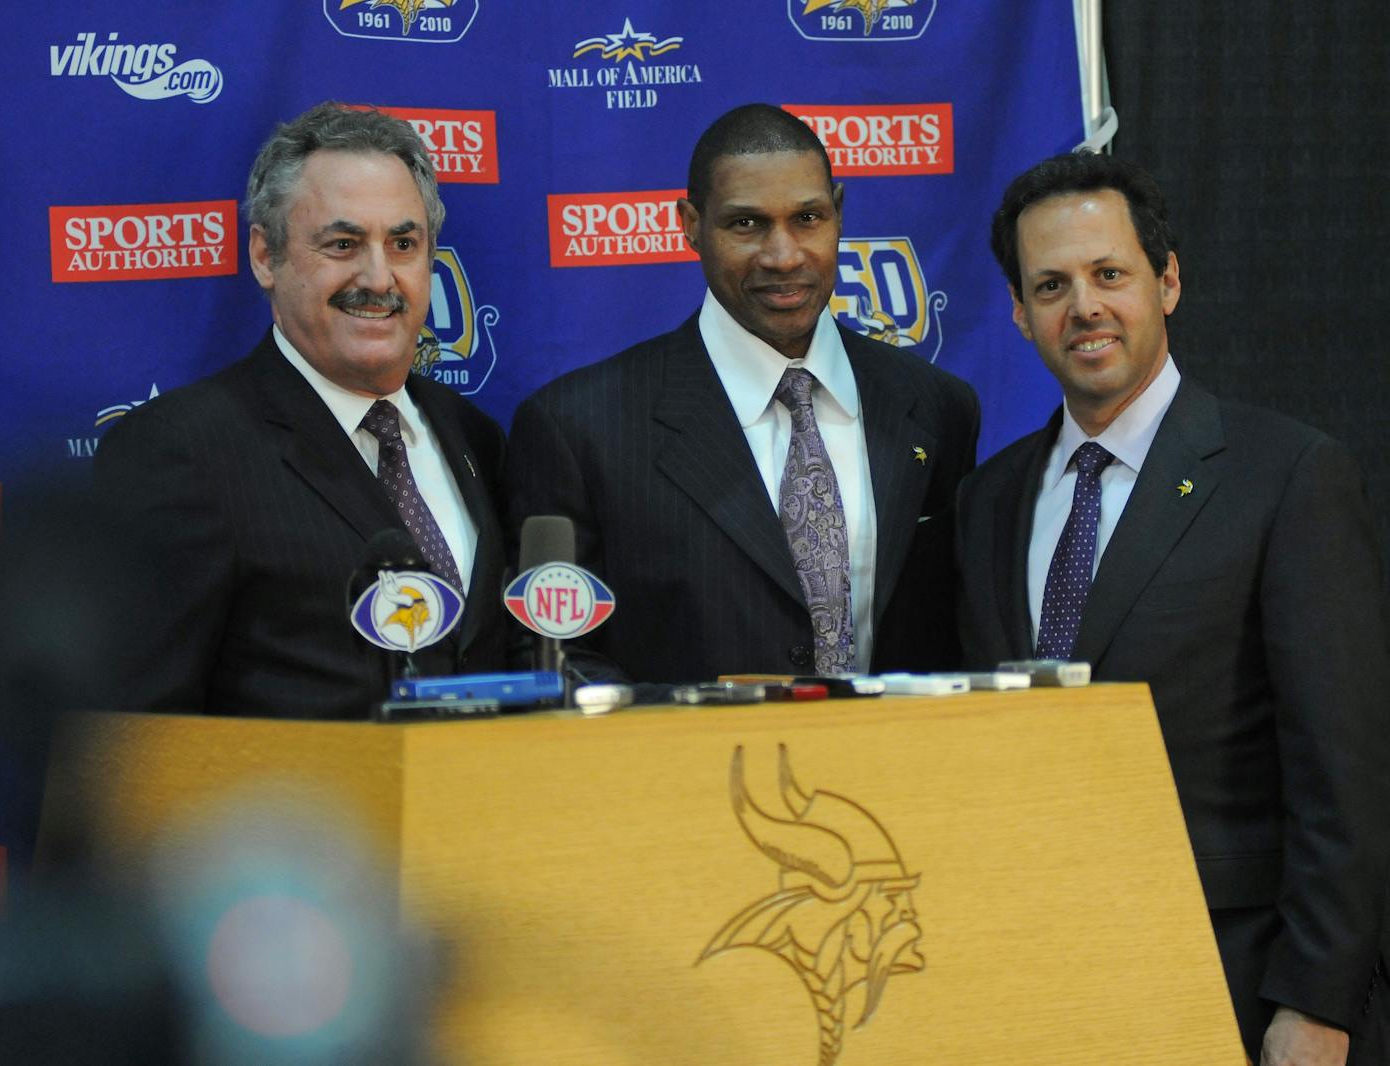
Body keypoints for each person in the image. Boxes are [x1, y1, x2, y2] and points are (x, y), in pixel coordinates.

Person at [957, 150, 1390, 1064]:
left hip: (1229, 986)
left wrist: (1317, 1004)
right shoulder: (986, 501)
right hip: (1031, 985)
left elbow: (1343, 776)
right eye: (1051, 285)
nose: (1084, 307)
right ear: (1018, 312)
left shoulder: (1288, 476)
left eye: (1110, 274)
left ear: (1168, 282)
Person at [506, 103, 979, 686]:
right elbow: (557, 660)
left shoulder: (937, 407)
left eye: (808, 218)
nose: (783, 256)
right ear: (689, 225)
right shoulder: (579, 427)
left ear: (838, 211)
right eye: (746, 224)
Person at [92, 103, 508, 718]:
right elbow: (138, 732)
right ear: (266, 256)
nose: (379, 276)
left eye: (403, 243)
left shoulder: (475, 436)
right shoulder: (179, 452)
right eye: (343, 244)